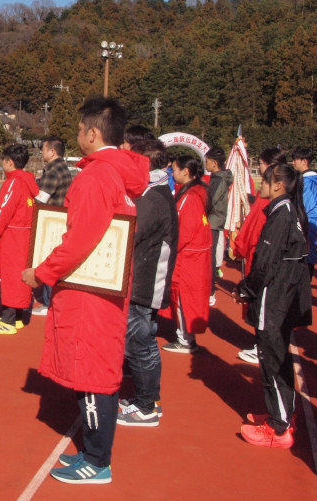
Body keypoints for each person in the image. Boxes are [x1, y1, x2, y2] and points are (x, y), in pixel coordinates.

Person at [22, 97, 149, 484]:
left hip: (88, 294)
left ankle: (97, 460)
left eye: (79, 130)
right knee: (97, 367)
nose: (77, 135)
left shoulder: (96, 177)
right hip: (102, 289)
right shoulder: (119, 176)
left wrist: (40, 273)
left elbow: (80, 240)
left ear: (94, 134)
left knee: (91, 373)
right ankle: (94, 454)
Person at [239, 163, 311, 448]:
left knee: (272, 359)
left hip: (274, 299)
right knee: (277, 358)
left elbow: (265, 262)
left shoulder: (281, 216)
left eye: (266, 179)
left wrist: (246, 289)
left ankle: (278, 427)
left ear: (279, 185)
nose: (261, 183)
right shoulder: (289, 212)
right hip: (283, 297)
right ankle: (282, 414)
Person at [117, 133, 178, 426]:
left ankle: (147, 405)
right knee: (139, 340)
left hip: (145, 281)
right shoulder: (154, 192)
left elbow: (129, 230)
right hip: (142, 277)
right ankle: (146, 398)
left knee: (140, 342)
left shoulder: (153, 198)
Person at [231, 148, 287, 364]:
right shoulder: (278, 198)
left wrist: (241, 246)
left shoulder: (271, 201)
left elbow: (254, 229)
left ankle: (264, 347)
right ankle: (264, 344)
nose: (260, 171)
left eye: (262, 165)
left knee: (263, 302)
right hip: (263, 255)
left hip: (261, 256)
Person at [0, 143, 38, 335]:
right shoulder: (28, 182)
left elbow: (1, 213)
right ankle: (17, 316)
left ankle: (8, 319)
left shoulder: (14, 183)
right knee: (19, 277)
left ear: (9, 162)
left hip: (12, 239)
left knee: (9, 277)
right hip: (23, 236)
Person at [162, 155, 212, 354]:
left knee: (185, 298)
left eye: (174, 170)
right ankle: (186, 336)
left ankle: (186, 339)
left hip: (189, 259)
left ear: (186, 172)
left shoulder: (190, 197)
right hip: (194, 256)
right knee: (188, 298)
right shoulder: (197, 192)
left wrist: (169, 249)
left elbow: (184, 230)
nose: (172, 174)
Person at [31, 137, 72, 316]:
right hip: (62, 217)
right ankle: (52, 300)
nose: (42, 152)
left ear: (52, 151)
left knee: (48, 259)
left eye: (44, 149)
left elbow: (41, 199)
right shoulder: (64, 167)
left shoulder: (53, 169)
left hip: (51, 220)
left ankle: (48, 303)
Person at [291, 147, 317, 279]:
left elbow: (303, 209)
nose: (293, 162)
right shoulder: (307, 180)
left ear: (304, 161)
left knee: (303, 270)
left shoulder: (308, 183)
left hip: (308, 230)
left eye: (295, 159)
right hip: (308, 230)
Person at [205, 146, 232, 306]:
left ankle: (210, 292)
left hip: (212, 222)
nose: (205, 164)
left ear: (214, 163)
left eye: (207, 161)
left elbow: (210, 200)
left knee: (209, 259)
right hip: (214, 221)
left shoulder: (218, 179)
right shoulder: (219, 177)